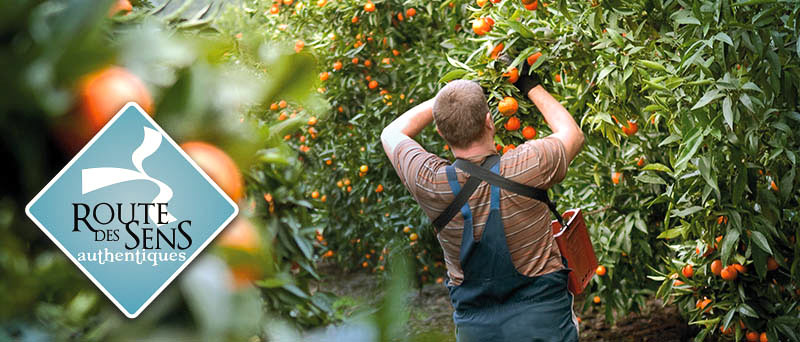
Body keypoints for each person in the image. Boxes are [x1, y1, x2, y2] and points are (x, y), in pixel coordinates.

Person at [380, 58, 585, 341]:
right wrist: (528, 84)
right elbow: (572, 134)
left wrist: (446, 101)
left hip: (477, 330)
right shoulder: (529, 165)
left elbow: (391, 133)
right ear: (490, 121)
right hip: (544, 323)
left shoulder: (430, 182)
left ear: (440, 131)